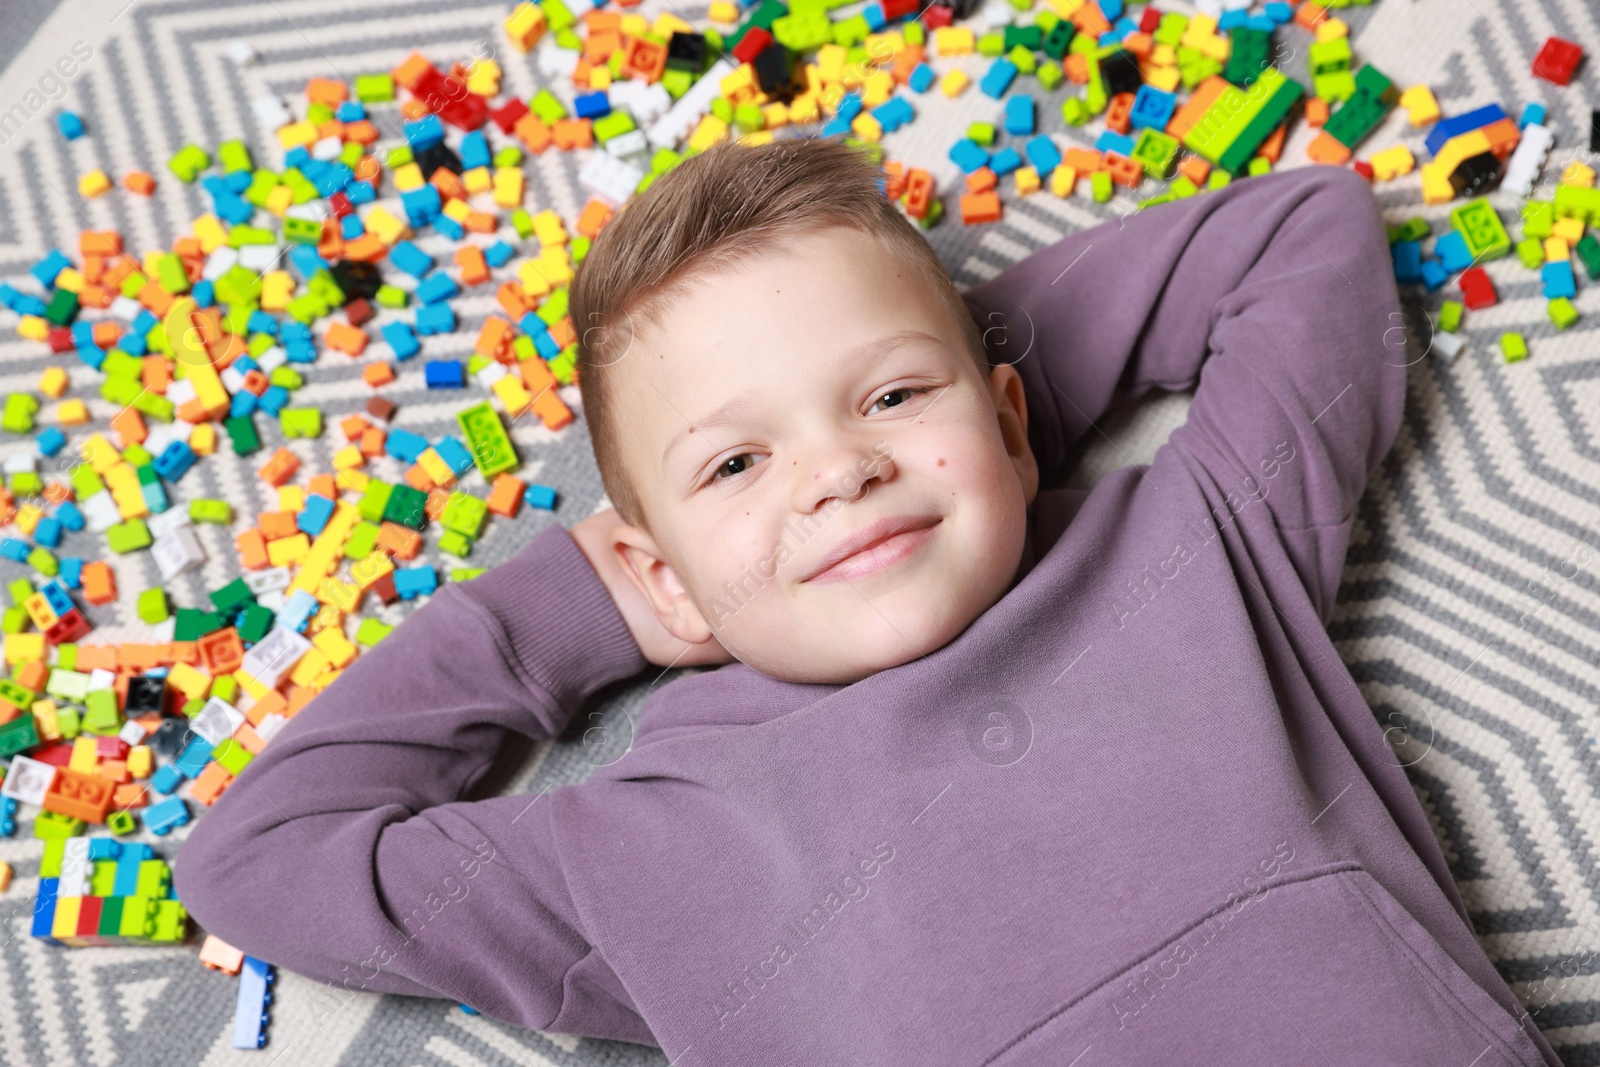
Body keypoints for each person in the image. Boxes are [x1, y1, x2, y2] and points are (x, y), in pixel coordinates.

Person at [175, 137, 1562, 1066]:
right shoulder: (625, 849)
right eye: (735, 462)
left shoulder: (1196, 540)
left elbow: (1299, 231)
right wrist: (573, 609)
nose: (838, 470)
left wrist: (988, 418)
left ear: (1013, 419)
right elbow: (256, 856)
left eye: (889, 398)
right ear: (660, 568)